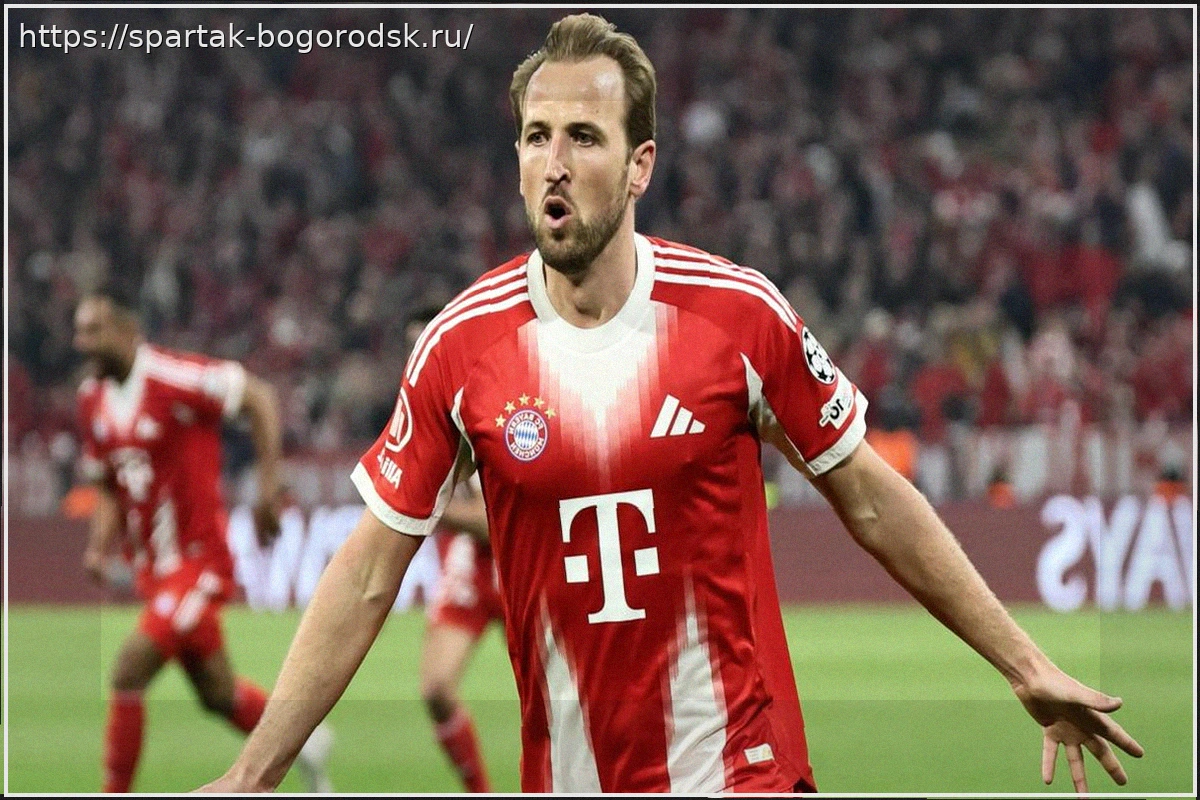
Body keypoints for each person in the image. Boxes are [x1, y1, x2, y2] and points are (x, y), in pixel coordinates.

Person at [201, 14, 1143, 794]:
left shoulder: (737, 315)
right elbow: (370, 570)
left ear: (640, 164)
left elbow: (868, 497)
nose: (554, 162)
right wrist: (252, 774)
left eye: (584, 137)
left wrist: (1025, 663)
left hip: (742, 770)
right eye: (536, 136)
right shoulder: (461, 347)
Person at [72, 293, 335, 793]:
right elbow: (107, 482)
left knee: (128, 670)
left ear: (126, 331)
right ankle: (307, 742)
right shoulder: (91, 399)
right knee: (217, 694)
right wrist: (97, 547)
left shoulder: (175, 378)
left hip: (200, 564)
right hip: (155, 572)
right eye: (79, 331)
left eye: (92, 331)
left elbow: (259, 398)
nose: (80, 342)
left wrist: (268, 488)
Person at [407, 306, 504, 793]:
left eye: (422, 344)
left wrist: (426, 506)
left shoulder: (489, 397)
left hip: (525, 561)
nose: (416, 357)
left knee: (557, 699)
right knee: (436, 688)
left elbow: (493, 523)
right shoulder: (422, 413)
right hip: (472, 564)